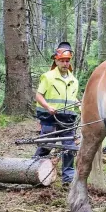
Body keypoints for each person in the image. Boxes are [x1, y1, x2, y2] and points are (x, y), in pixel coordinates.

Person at [34, 42, 80, 185]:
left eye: (67, 61)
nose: (65, 64)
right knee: (46, 145)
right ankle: (32, 167)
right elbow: (39, 95)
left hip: (68, 119)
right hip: (50, 117)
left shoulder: (74, 80)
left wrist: (79, 104)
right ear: (56, 60)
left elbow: (71, 97)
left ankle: (68, 177)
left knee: (69, 147)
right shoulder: (48, 77)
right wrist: (48, 106)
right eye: (62, 61)